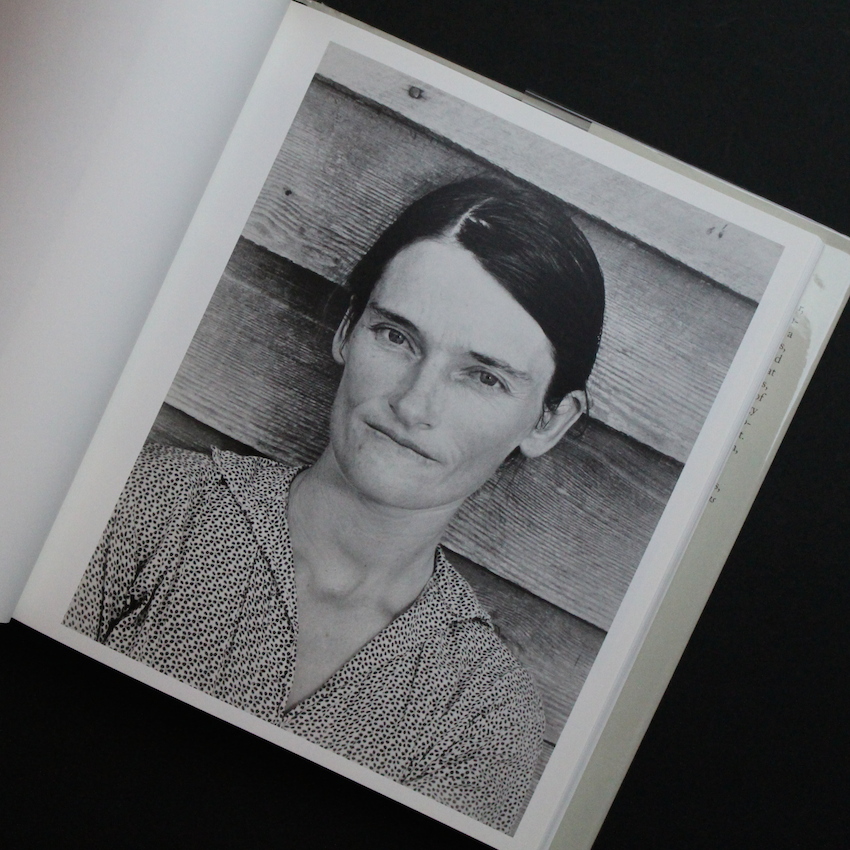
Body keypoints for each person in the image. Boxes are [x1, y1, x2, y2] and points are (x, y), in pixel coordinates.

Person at [63, 176, 605, 833]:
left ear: (549, 421)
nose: (414, 404)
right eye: (397, 337)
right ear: (349, 329)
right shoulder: (148, 507)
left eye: (483, 376)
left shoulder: (483, 716)